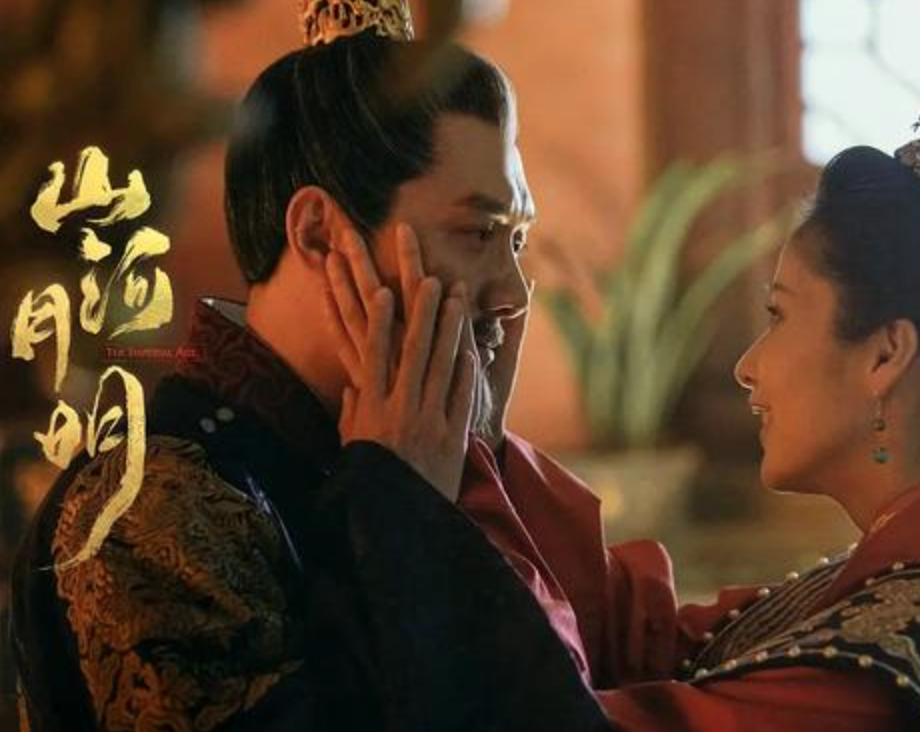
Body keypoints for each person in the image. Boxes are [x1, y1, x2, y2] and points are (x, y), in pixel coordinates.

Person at [314, 4, 920, 731]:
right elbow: (638, 641)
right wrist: (476, 442)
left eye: (779, 314)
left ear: (886, 353)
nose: (746, 367)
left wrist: (406, 507)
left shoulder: (896, 672)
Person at [9, 1, 677, 729]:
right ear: (321, 235)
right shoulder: (148, 506)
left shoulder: (403, 460)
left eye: (516, 241)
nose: (514, 294)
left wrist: (469, 475)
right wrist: (402, 508)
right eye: (478, 232)